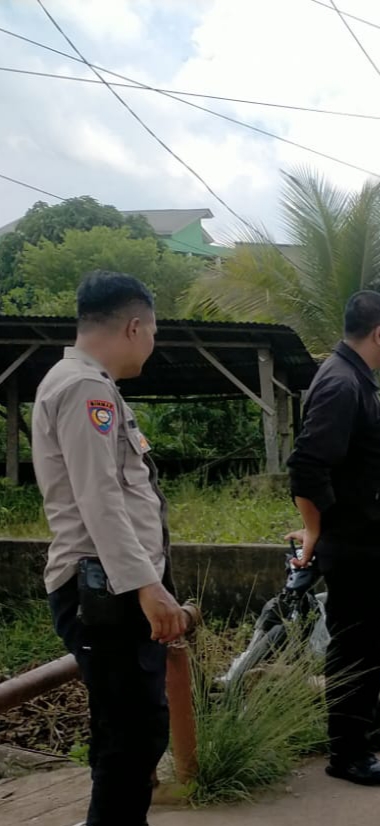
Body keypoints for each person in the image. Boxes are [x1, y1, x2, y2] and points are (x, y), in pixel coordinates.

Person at [32, 270, 186, 826]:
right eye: (152, 332)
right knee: (132, 734)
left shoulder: (85, 383)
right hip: (104, 590)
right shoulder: (84, 389)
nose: (151, 343)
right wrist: (148, 586)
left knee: (129, 730)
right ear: (135, 325)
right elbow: (100, 499)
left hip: (109, 586)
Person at [286, 290, 380, 787]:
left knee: (370, 640)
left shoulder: (353, 377)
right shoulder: (341, 384)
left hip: (370, 538)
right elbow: (307, 466)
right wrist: (316, 530)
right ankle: (347, 752)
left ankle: (367, 726)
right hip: (353, 543)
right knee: (354, 645)